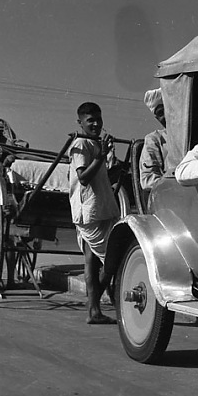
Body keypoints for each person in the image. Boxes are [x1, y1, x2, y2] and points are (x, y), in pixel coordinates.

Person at [68, 102, 119, 325]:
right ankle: (94, 306)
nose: (96, 124)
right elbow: (84, 178)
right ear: (80, 123)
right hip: (90, 211)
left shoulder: (97, 144)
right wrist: (101, 156)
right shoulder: (80, 144)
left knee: (91, 261)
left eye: (98, 119)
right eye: (90, 121)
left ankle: (94, 311)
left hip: (100, 210)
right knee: (111, 262)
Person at [139, 88, 167, 192]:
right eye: (160, 113)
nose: (165, 116)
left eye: (167, 110)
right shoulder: (154, 140)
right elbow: (148, 180)